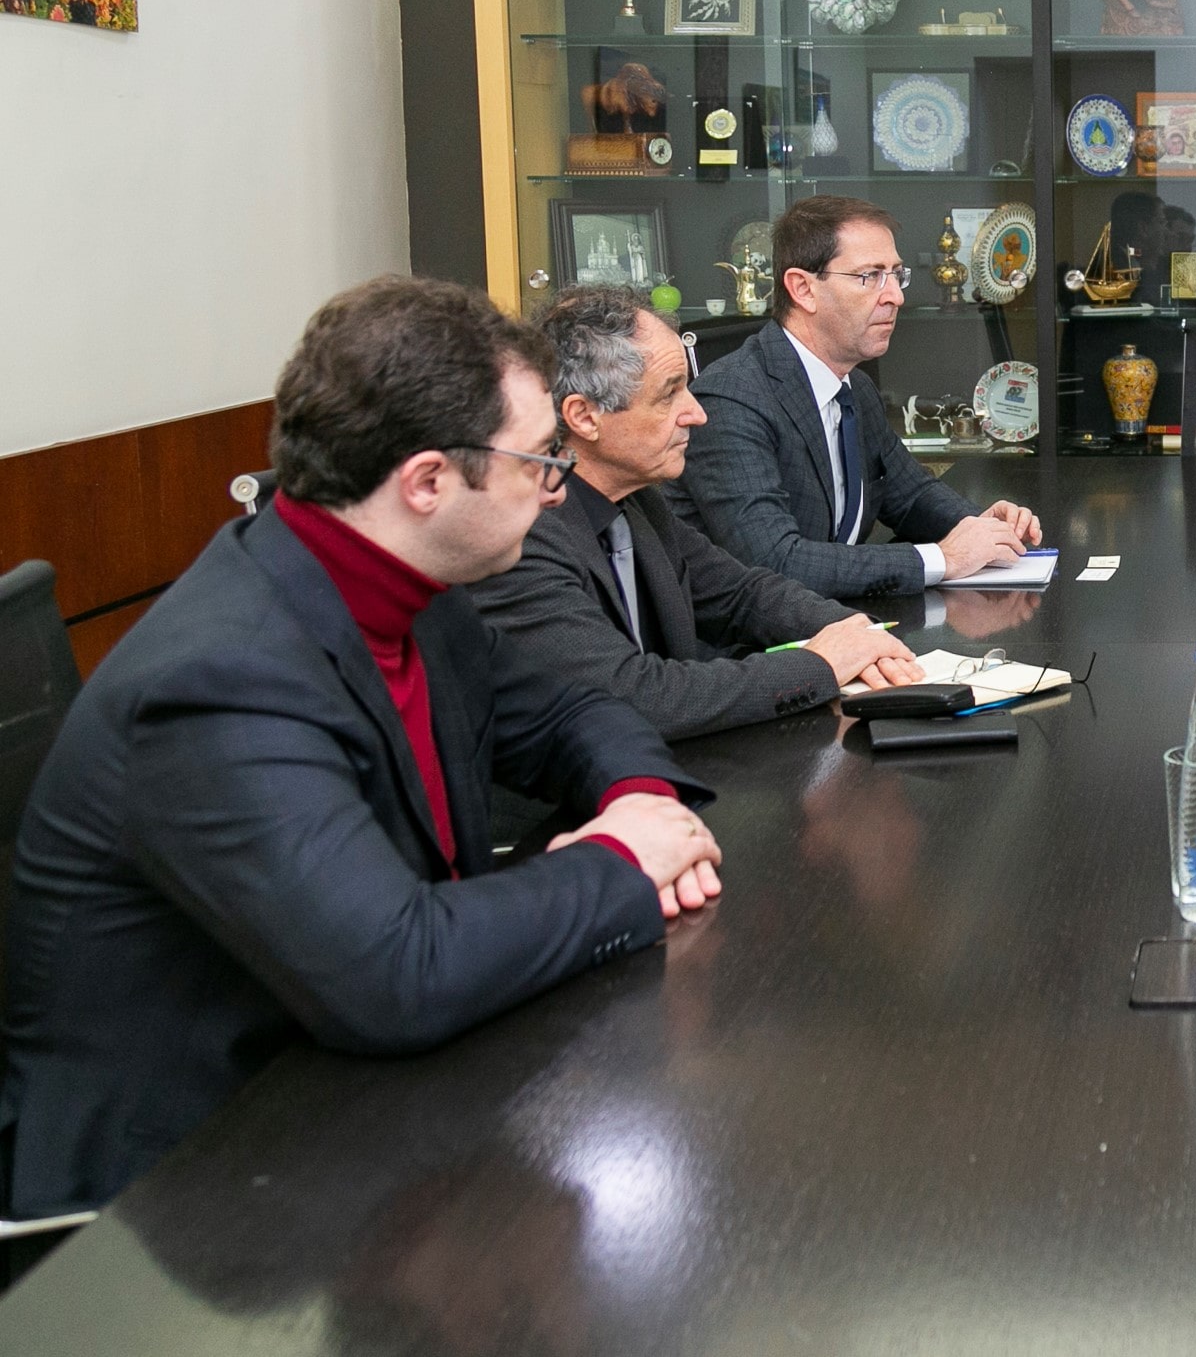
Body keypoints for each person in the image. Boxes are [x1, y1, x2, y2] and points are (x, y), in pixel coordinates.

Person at [2, 278, 725, 1219]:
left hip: (350, 1090)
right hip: (182, 1191)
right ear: (426, 482)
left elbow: (569, 713)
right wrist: (623, 861)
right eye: (540, 461)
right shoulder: (220, 679)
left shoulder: (409, 587)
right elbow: (397, 972)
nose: (556, 490)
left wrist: (639, 798)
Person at [468, 287, 928, 743]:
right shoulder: (524, 534)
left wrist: (854, 633)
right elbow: (633, 695)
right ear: (585, 417)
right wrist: (822, 664)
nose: (696, 413)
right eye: (669, 394)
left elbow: (741, 594)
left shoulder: (640, 500)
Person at [675, 195, 1040, 599]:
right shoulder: (731, 401)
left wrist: (980, 526)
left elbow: (911, 496)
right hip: (755, 634)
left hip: (840, 617)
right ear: (803, 289)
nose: (896, 296)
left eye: (896, 275)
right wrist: (943, 558)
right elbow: (775, 562)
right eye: (870, 276)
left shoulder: (856, 388)